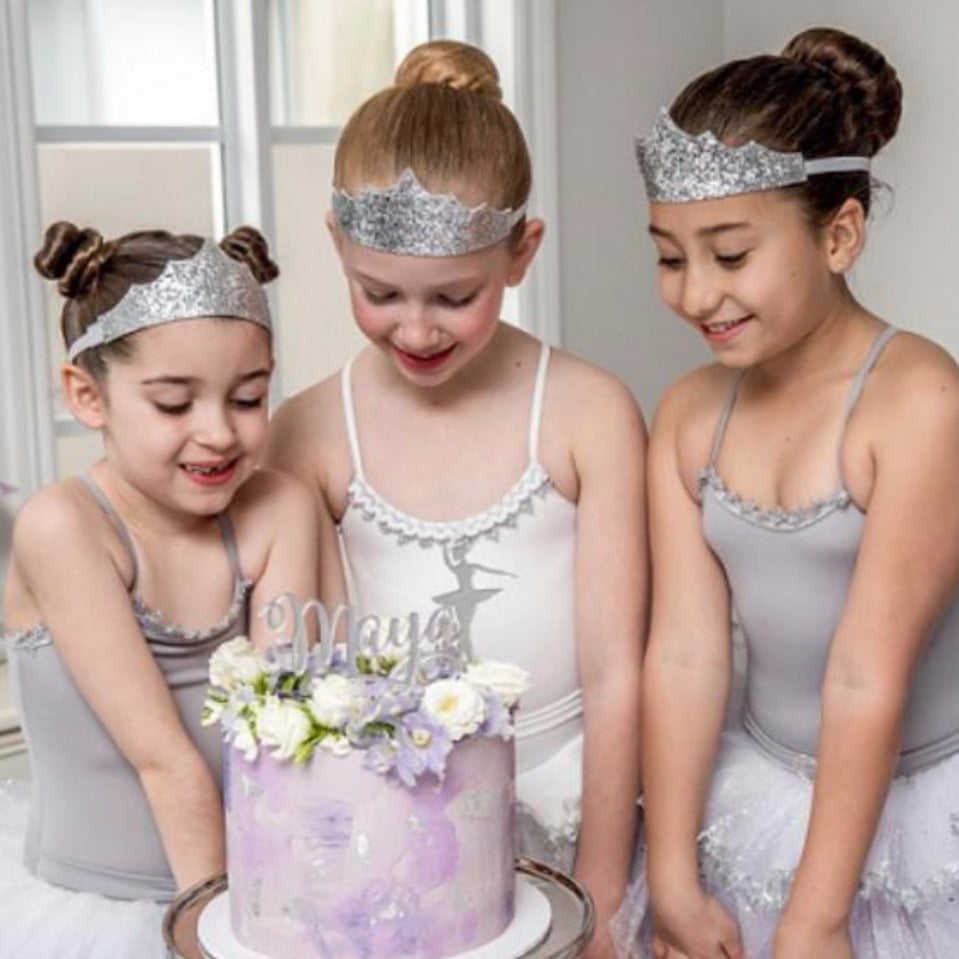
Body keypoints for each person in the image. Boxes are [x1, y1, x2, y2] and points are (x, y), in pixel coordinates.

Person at [266, 39, 647, 955]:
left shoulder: (587, 410)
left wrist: (595, 895)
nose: (417, 326)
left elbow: (616, 670)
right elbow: (312, 675)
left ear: (522, 252)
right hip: (392, 822)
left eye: (453, 295)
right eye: (379, 292)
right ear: (335, 245)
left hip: (573, 803)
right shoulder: (311, 429)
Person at [611, 26, 959, 959]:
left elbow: (864, 669)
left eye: (729, 255)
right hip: (759, 779)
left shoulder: (918, 400)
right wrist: (676, 876)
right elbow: (684, 655)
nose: (694, 295)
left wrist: (818, 914)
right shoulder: (687, 414)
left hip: (912, 799)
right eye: (669, 256)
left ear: (838, 234)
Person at [0, 222, 318, 958]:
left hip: (257, 886)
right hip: (104, 907)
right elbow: (165, 760)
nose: (217, 433)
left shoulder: (278, 509)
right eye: (174, 405)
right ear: (87, 395)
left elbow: (279, 729)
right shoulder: (65, 526)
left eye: (248, 397)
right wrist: (220, 943)